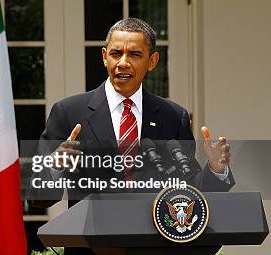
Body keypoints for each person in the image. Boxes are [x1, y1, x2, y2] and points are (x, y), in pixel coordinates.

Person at [32, 18, 234, 254]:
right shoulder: (69, 112)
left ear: (152, 61)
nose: (123, 63)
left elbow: (188, 192)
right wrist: (54, 166)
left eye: (135, 54)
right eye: (116, 53)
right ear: (104, 56)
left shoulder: (172, 116)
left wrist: (215, 170)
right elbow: (39, 197)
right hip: (94, 249)